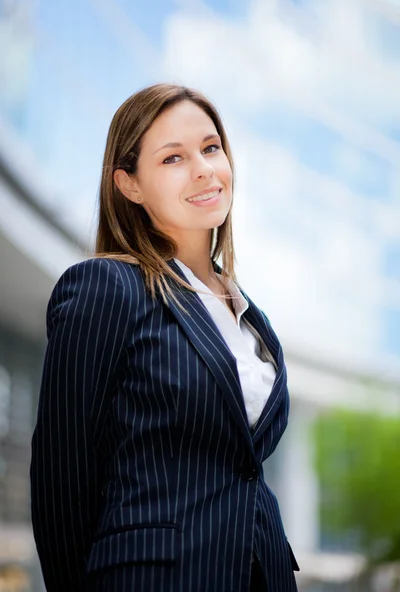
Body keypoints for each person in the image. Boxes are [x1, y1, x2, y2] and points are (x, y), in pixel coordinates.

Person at [30, 83, 300, 592]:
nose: (203, 168)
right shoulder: (108, 287)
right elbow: (61, 478)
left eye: (211, 147)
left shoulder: (249, 316)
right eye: (173, 157)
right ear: (130, 185)